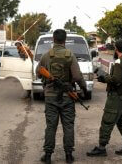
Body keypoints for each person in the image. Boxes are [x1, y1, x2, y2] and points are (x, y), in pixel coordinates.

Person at [36, 29, 87, 164]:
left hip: (50, 96)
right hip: (67, 96)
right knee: (68, 126)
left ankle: (47, 156)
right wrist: (83, 87)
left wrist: (50, 77)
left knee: (51, 126)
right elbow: (77, 76)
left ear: (53, 39)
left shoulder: (46, 55)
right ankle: (69, 155)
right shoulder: (70, 55)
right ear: (65, 40)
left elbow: (38, 73)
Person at [87, 39, 122, 157]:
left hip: (117, 96)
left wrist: (104, 78)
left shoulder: (119, 61)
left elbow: (116, 80)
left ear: (116, 49)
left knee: (107, 120)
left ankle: (101, 147)